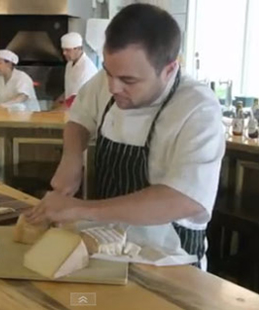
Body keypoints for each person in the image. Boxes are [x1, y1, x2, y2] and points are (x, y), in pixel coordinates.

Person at [26, 3, 225, 270]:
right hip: (104, 246)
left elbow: (184, 198)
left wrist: (80, 209)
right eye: (108, 73)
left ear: (168, 69)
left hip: (169, 260)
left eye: (129, 81)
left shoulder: (198, 108)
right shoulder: (109, 81)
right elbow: (79, 119)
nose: (113, 87)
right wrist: (72, 157)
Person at [56, 32, 97, 108]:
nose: (64, 53)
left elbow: (77, 97)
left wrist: (60, 110)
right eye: (63, 50)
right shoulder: (69, 64)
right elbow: (69, 89)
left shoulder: (86, 68)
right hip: (71, 108)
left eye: (68, 50)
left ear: (78, 49)